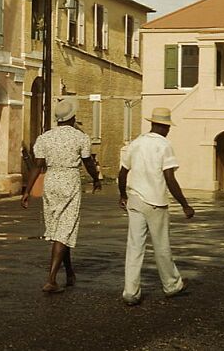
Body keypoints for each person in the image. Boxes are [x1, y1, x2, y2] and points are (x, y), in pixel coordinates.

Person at [22, 99, 101, 293]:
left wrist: (27, 191)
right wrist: (96, 178)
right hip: (70, 180)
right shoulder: (80, 137)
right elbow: (88, 162)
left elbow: (37, 165)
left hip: (51, 181)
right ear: (72, 117)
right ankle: (51, 279)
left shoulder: (44, 138)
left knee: (60, 229)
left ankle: (69, 272)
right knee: (65, 229)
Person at [118, 107, 195, 306]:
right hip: (155, 201)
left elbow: (123, 172)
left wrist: (122, 195)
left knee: (135, 247)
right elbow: (169, 177)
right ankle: (171, 285)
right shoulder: (164, 145)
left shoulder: (136, 142)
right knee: (161, 246)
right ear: (165, 126)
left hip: (135, 199)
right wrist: (185, 204)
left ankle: (130, 292)